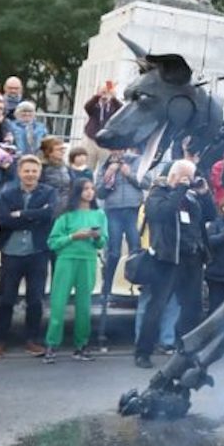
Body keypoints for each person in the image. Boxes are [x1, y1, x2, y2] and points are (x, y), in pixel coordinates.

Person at [134, 160, 213, 369]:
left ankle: (186, 351)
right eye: (187, 177)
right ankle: (143, 352)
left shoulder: (191, 197)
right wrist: (180, 189)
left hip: (192, 258)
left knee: (193, 309)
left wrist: (205, 194)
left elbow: (211, 216)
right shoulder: (158, 193)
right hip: (168, 260)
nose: (190, 181)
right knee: (157, 307)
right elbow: (162, 213)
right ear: (175, 176)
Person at [0, 155, 57, 359]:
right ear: (19, 172)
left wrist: (21, 214)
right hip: (11, 252)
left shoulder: (49, 192)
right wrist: (35, 215)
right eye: (26, 171)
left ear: (39, 173)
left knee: (35, 299)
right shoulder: (7, 194)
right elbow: (4, 220)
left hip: (38, 252)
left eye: (34, 171)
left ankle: (32, 340)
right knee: (6, 299)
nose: (30, 174)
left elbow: (49, 216)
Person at [42, 178, 105, 362]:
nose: (90, 192)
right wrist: (73, 236)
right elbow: (53, 242)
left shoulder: (99, 214)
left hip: (88, 260)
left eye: (92, 188)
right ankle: (51, 345)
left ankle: (81, 345)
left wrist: (96, 237)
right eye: (85, 189)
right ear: (77, 192)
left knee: (84, 305)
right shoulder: (66, 215)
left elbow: (102, 243)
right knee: (58, 303)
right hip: (66, 260)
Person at [97, 148, 145, 346]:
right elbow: (99, 192)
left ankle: (139, 283)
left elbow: (146, 182)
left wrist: (128, 173)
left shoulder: (137, 161)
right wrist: (109, 176)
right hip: (113, 210)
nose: (117, 151)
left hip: (133, 209)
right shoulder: (105, 164)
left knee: (136, 247)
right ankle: (107, 286)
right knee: (114, 251)